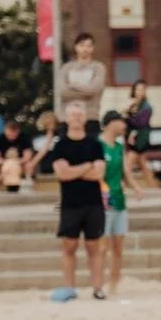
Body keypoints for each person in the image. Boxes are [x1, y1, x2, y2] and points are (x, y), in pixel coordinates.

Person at [51, 101, 106, 298]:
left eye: (79, 114)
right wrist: (86, 167)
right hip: (70, 204)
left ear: (84, 118)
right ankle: (69, 288)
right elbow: (62, 174)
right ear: (66, 118)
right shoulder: (60, 145)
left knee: (94, 247)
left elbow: (99, 173)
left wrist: (74, 170)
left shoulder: (95, 145)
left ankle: (98, 288)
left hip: (93, 203)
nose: (76, 118)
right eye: (72, 115)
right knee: (69, 246)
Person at [100, 109, 143, 295]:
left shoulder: (118, 147)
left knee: (118, 246)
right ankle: (99, 283)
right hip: (102, 200)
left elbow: (125, 172)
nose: (124, 126)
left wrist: (136, 187)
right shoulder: (98, 145)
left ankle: (114, 284)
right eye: (121, 122)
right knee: (102, 247)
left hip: (119, 199)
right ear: (111, 123)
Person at [58, 32, 107, 133]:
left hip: (90, 117)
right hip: (67, 118)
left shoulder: (98, 67)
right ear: (76, 47)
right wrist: (85, 90)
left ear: (93, 48)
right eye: (82, 45)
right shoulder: (66, 68)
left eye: (88, 46)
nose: (85, 49)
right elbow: (63, 92)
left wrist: (73, 85)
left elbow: (94, 90)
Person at [124, 81, 156, 187]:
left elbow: (141, 123)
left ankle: (123, 187)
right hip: (132, 137)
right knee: (143, 164)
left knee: (127, 166)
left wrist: (127, 116)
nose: (139, 92)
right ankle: (153, 186)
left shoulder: (147, 107)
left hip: (140, 138)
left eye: (142, 89)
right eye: (137, 89)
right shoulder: (133, 105)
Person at [0, 116, 32, 193]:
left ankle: (28, 186)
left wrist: (16, 162)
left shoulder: (24, 138)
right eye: (10, 133)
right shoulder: (0, 138)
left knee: (29, 164)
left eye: (14, 133)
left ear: (18, 131)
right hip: (3, 164)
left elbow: (28, 156)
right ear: (5, 131)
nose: (12, 135)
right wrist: (7, 163)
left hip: (19, 163)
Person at [25, 110, 60, 181]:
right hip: (40, 159)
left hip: (48, 160)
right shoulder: (38, 134)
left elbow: (44, 150)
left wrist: (33, 163)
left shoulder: (53, 134)